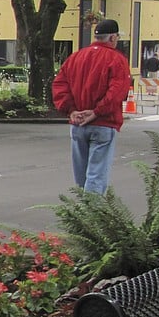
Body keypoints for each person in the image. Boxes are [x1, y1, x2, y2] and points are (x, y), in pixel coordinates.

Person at [52, 18, 131, 195]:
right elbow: (117, 91)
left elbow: (60, 85)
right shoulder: (117, 59)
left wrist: (71, 111)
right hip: (103, 123)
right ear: (112, 37)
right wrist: (96, 112)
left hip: (78, 123)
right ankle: (92, 214)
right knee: (96, 173)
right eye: (117, 37)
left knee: (81, 174)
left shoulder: (76, 57)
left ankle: (81, 211)